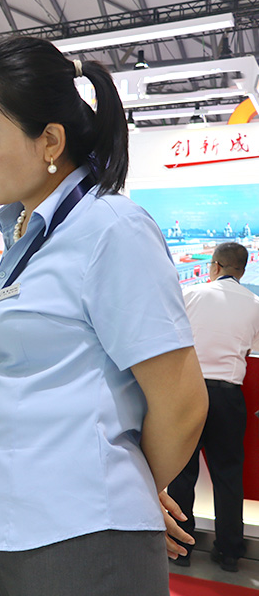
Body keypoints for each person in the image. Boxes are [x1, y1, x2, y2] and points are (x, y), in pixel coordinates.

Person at [0, 37, 207, 595]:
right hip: (0, 523)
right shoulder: (26, 235)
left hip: (82, 534)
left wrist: (127, 487)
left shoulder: (112, 229)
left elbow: (182, 402)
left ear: (50, 140)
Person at [167, 242, 259, 573]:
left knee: (182, 473)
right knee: (228, 475)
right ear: (243, 271)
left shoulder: (191, 295)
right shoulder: (255, 304)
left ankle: (181, 547)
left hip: (190, 392)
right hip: (229, 397)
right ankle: (230, 552)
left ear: (215, 266)